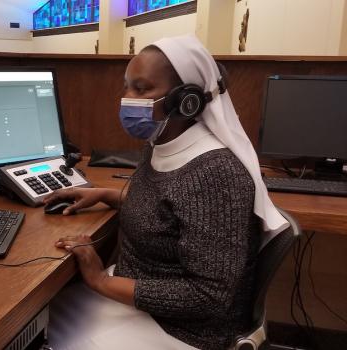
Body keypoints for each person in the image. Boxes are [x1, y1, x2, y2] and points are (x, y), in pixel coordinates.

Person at [43, 35, 289, 350]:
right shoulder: (163, 142)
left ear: (187, 100)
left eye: (142, 89)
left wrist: (100, 281)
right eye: (128, 86)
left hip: (184, 329)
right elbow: (171, 213)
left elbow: (208, 297)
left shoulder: (213, 174)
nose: (128, 98)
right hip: (140, 296)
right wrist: (106, 194)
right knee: (39, 317)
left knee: (37, 330)